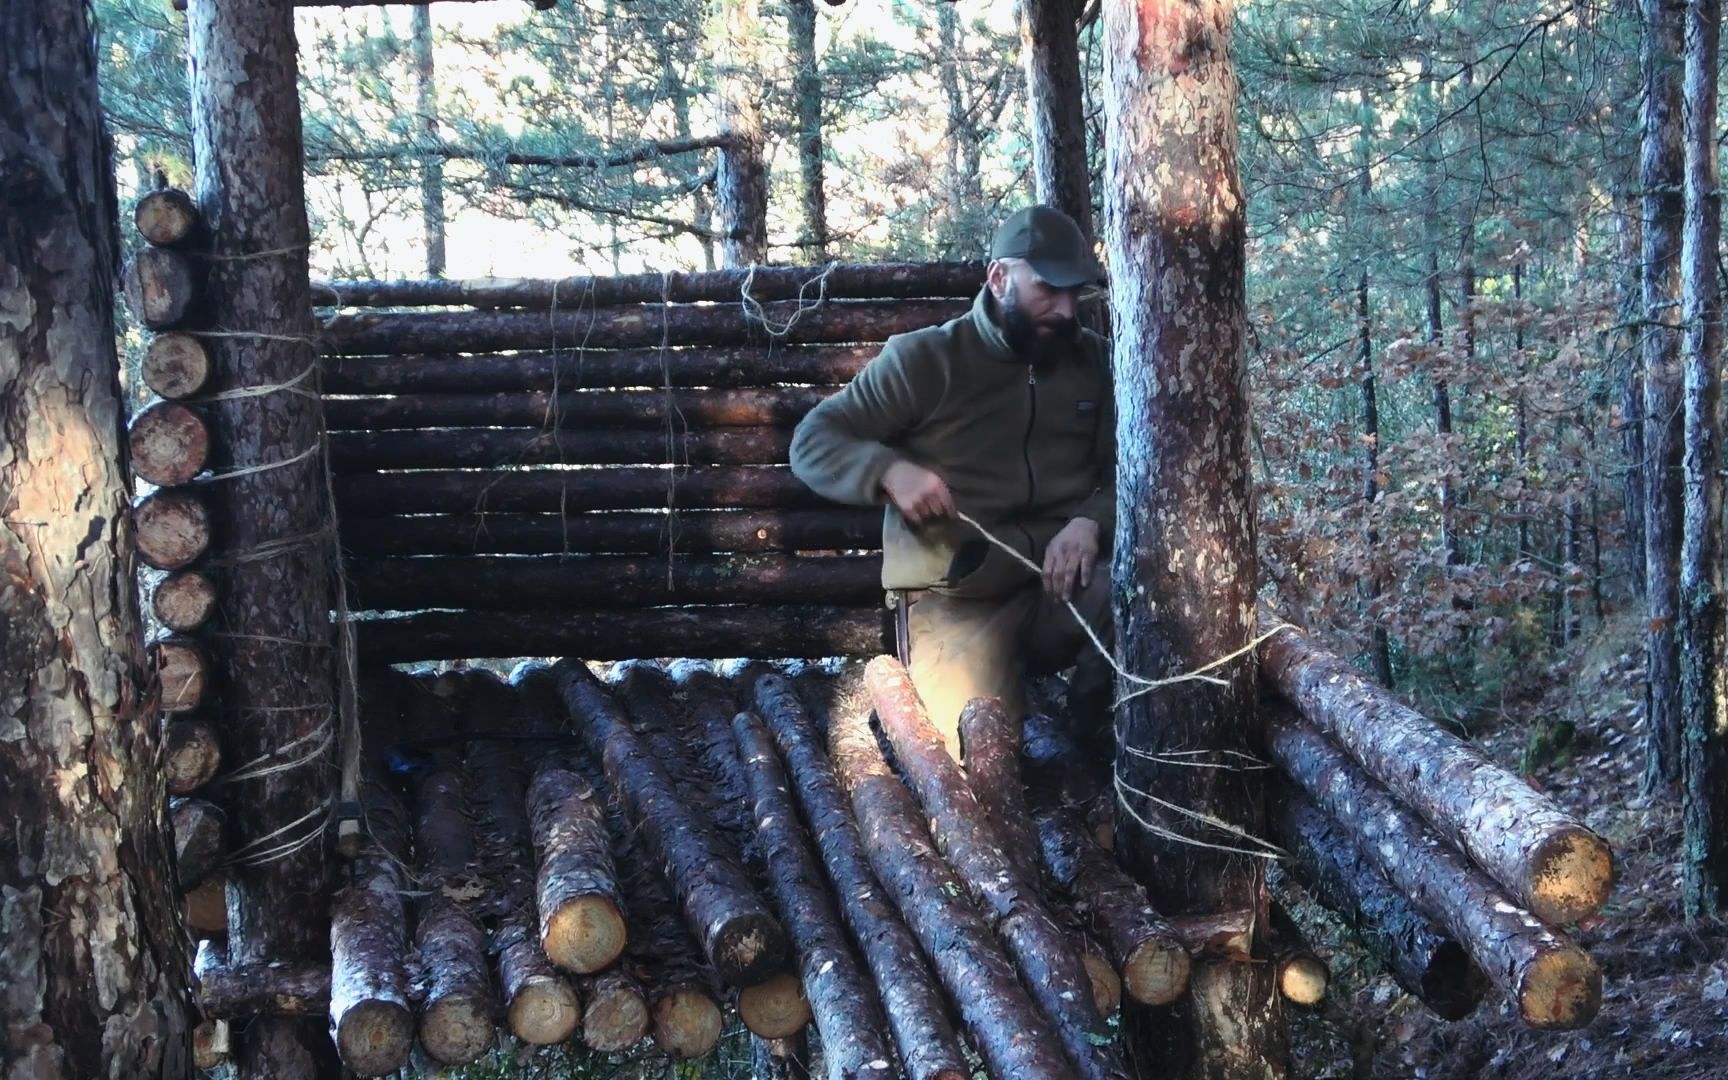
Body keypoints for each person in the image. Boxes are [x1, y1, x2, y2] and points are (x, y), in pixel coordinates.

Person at [789, 205, 1115, 754]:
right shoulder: (926, 359)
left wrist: (1089, 520)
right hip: (956, 600)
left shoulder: (1095, 363)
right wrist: (888, 470)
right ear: (999, 278)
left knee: (1143, 608)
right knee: (972, 760)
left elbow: (1125, 473)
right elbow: (813, 441)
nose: (1065, 310)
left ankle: (1097, 753)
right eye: (1048, 291)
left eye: (1074, 293)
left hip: (1058, 584)